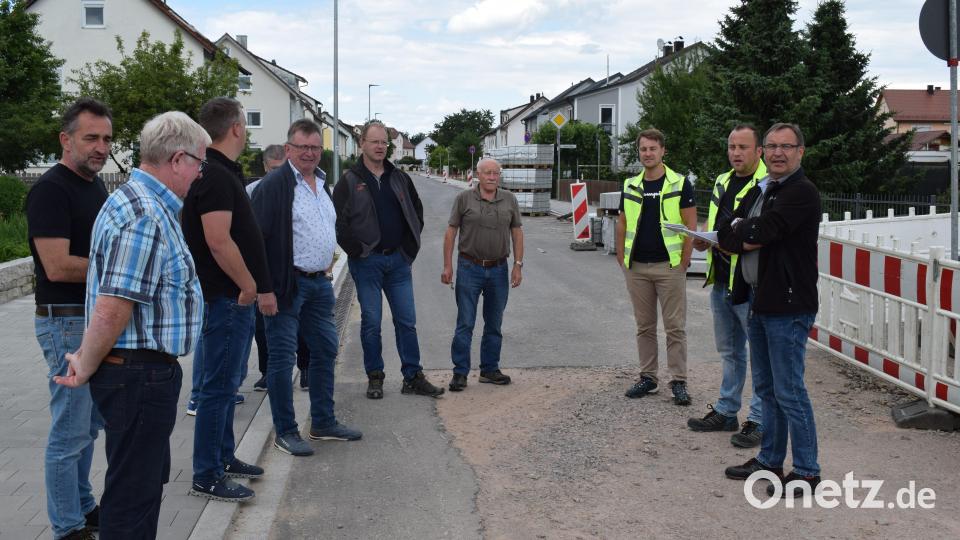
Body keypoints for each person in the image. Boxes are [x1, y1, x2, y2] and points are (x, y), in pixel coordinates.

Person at [53, 111, 208, 538]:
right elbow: (114, 303)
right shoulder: (144, 210)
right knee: (131, 497)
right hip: (137, 374)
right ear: (178, 160)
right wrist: (84, 362)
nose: (199, 174)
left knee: (137, 487)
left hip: (139, 372)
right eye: (199, 163)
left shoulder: (143, 202)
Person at [718, 123, 822, 498]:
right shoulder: (765, 189)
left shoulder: (801, 192)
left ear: (800, 152)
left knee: (790, 390)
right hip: (758, 301)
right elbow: (727, 233)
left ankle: (808, 471)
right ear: (764, 151)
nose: (778, 153)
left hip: (788, 305)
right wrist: (745, 232)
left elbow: (765, 230)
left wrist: (745, 231)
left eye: (786, 147)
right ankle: (770, 461)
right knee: (767, 390)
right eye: (772, 146)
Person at [26, 98, 111, 540]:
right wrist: (116, 268)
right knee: (71, 428)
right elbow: (57, 266)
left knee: (88, 424)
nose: (101, 147)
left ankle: (81, 505)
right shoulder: (51, 190)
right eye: (90, 138)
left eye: (106, 139)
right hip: (65, 321)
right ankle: (67, 527)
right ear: (66, 139)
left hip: (89, 318)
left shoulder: (94, 187)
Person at [251, 119, 361, 457]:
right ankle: (285, 431)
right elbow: (256, 241)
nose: (310, 153)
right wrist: (264, 289)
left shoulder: (321, 184)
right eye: (302, 148)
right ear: (288, 150)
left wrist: (326, 258)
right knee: (282, 360)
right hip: (286, 285)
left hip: (318, 284)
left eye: (314, 148)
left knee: (325, 349)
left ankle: (323, 422)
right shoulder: (275, 186)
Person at [182, 97, 271, 502]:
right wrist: (248, 285)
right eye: (246, 125)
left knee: (227, 381)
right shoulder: (216, 175)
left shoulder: (218, 172)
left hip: (229, 298)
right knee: (218, 387)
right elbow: (218, 240)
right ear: (236, 127)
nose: (247, 132)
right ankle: (207, 473)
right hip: (226, 297)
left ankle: (223, 456)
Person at [333, 120, 445, 399]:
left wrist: (409, 249)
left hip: (398, 262)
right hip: (367, 262)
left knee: (406, 320)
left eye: (384, 142)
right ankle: (375, 376)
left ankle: (412, 376)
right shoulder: (350, 181)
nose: (381, 147)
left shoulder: (399, 178)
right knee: (371, 321)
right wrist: (356, 250)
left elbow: (416, 212)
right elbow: (338, 223)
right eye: (375, 142)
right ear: (362, 144)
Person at [687, 125, 767, 448]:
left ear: (758, 151)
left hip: (749, 284)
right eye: (732, 146)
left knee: (760, 356)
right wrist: (702, 240)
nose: (736, 153)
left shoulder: (766, 184)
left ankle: (759, 420)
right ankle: (726, 410)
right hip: (720, 280)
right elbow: (715, 223)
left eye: (743, 147)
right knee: (729, 351)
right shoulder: (722, 180)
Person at [616, 128, 697, 406]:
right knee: (644, 326)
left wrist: (684, 261)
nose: (647, 153)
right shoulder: (630, 184)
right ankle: (648, 378)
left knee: (675, 327)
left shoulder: (679, 183)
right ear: (639, 152)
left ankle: (679, 381)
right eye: (643, 149)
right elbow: (623, 222)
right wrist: (621, 258)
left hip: (669, 266)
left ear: (663, 151)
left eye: (652, 148)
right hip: (637, 267)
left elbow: (690, 225)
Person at [441, 158, 524, 391]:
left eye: (495, 173)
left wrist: (517, 264)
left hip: (499, 269)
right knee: (465, 322)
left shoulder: (509, 199)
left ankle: (489, 369)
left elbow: (517, 232)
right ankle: (460, 372)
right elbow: (451, 233)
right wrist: (447, 266)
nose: (491, 177)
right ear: (477, 174)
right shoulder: (464, 199)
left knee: (494, 323)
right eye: (487, 173)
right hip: (469, 268)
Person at [248, 143, 287, 393]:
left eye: (280, 169)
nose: (276, 175)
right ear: (264, 167)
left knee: (300, 323)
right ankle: (266, 372)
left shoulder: (294, 190)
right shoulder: (252, 191)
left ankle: (304, 368)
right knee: (262, 325)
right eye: (272, 169)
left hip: (290, 268)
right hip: (262, 267)